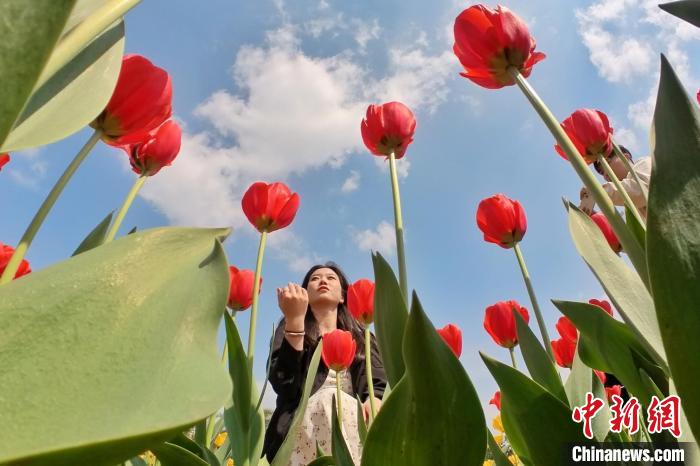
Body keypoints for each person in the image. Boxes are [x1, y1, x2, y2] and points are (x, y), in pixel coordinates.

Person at [262, 263, 387, 465]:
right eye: (314, 278)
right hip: (302, 426)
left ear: (343, 296)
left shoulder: (363, 338)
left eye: (330, 278)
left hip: (355, 423)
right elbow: (284, 386)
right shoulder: (289, 327)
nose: (322, 280)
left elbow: (377, 380)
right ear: (305, 294)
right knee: (329, 398)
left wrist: (375, 402)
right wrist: (294, 320)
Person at [579, 146, 652, 220]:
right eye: (602, 173)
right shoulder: (629, 209)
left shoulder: (646, 163)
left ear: (625, 157)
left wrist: (599, 190)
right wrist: (595, 217)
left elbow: (642, 190)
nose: (605, 175)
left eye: (607, 162)